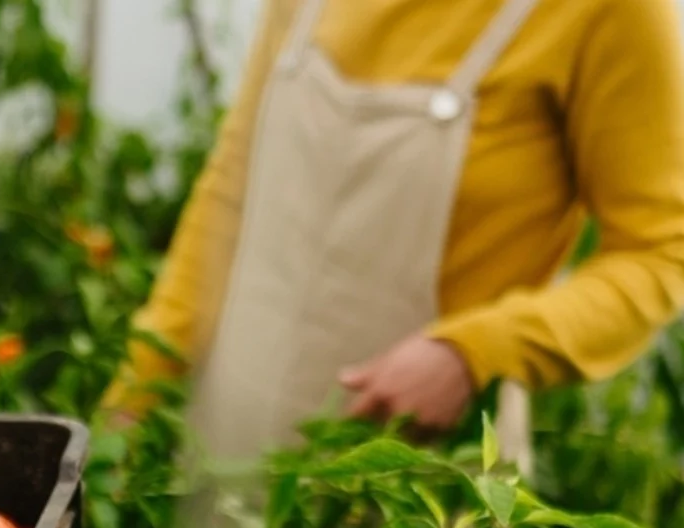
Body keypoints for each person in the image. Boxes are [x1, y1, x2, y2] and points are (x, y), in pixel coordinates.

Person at [101, 0, 684, 470]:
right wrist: (135, 398)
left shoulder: (610, 11)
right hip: (223, 456)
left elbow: (661, 252)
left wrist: (474, 352)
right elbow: (233, 191)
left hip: (415, 500)